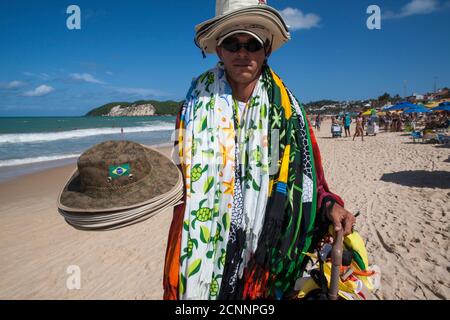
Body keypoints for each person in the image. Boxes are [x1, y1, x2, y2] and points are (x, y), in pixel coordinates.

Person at [163, 0, 355, 300]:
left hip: (265, 249)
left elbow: (308, 182)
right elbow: (178, 174)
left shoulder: (289, 113)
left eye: (251, 44)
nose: (242, 53)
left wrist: (329, 205)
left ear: (265, 48)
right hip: (207, 246)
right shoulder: (192, 108)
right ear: (218, 49)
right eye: (232, 43)